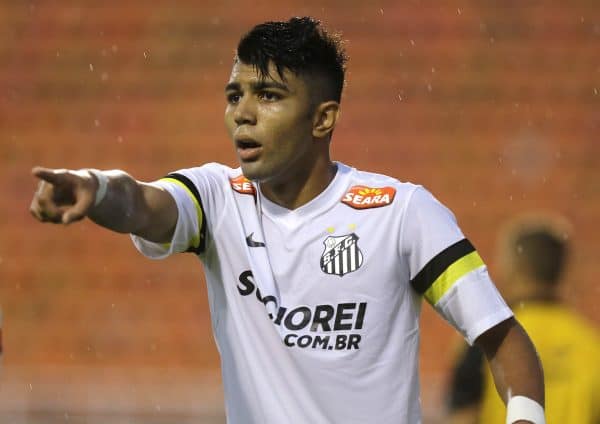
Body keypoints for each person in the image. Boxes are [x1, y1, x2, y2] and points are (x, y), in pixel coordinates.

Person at [30, 17, 545, 424]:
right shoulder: (216, 199)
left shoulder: (400, 212)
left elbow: (501, 338)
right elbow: (140, 204)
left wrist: (525, 417)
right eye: (235, 95)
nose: (242, 114)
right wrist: (95, 188)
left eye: (269, 96)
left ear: (323, 117)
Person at [446, 214, 600, 424]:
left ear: (512, 269)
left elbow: (462, 418)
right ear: (561, 271)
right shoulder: (591, 345)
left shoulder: (490, 338)